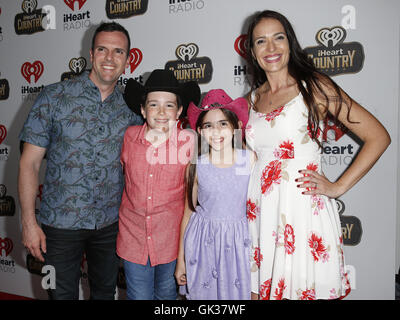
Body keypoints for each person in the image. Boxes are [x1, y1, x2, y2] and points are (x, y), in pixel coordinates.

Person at [244, 10, 391, 300]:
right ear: (252, 51)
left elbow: (378, 136)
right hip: (261, 215)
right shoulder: (253, 97)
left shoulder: (315, 86)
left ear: (290, 42)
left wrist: (337, 187)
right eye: (261, 41)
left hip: (301, 213)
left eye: (278, 38)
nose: (271, 48)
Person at [18, 22, 143, 300]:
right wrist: (29, 223)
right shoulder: (53, 97)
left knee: (104, 294)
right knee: (58, 295)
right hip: (58, 227)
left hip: (110, 227)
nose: (110, 58)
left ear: (127, 59)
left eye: (118, 51)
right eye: (102, 49)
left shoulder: (133, 110)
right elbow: (30, 164)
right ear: (90, 53)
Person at [117, 69, 200, 300]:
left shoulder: (190, 141)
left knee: (166, 296)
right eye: (153, 105)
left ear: (180, 111)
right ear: (143, 110)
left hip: (172, 240)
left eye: (169, 105)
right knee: (138, 296)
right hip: (134, 237)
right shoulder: (129, 137)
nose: (161, 112)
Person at [175, 89, 255, 300]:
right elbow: (187, 214)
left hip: (239, 246)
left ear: (237, 127)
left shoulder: (251, 160)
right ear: (200, 131)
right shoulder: (196, 166)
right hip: (203, 246)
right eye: (208, 125)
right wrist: (180, 261)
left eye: (223, 124)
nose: (216, 131)